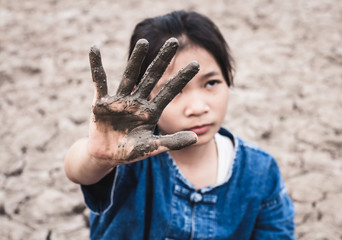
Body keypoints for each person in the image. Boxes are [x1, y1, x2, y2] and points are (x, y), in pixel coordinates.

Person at [64, 10, 296, 239]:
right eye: (173, 90)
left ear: (228, 76)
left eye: (211, 82)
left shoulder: (259, 172)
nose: (197, 107)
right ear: (139, 98)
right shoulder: (126, 157)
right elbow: (78, 170)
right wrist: (98, 158)